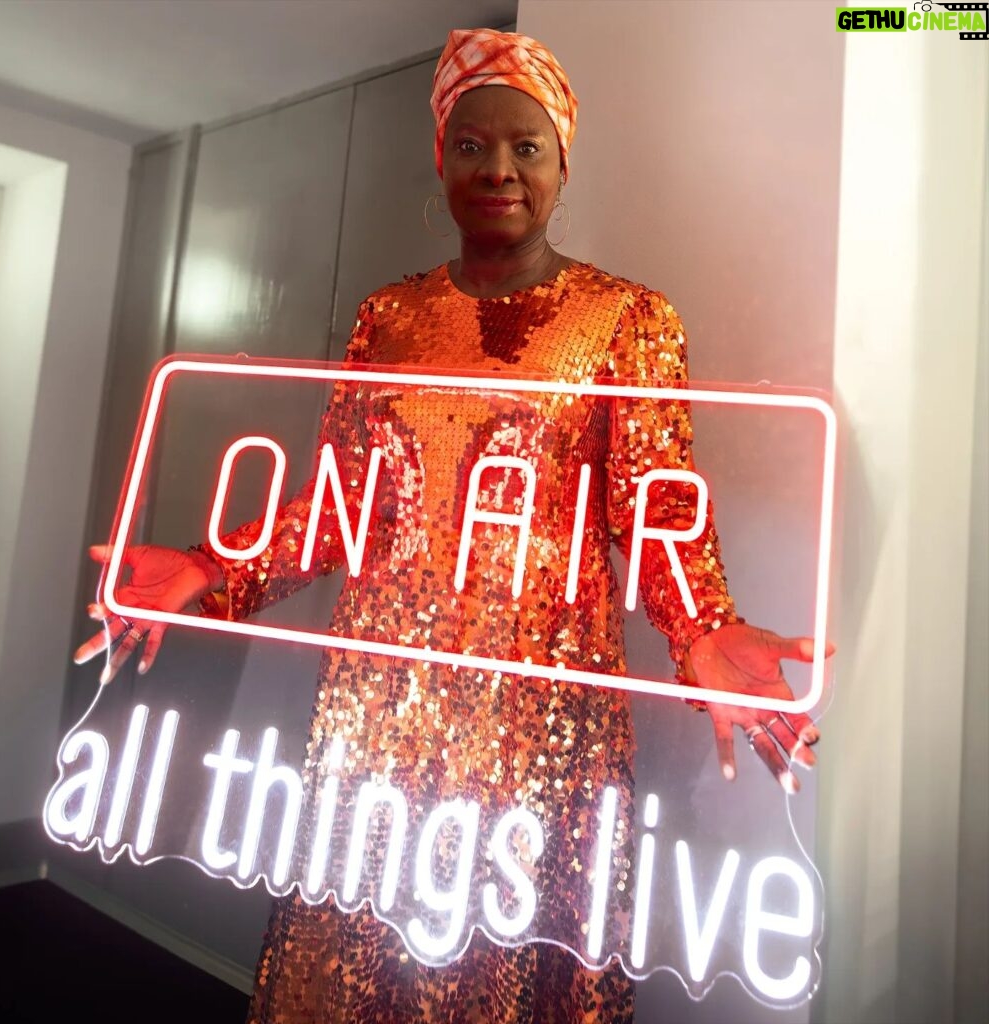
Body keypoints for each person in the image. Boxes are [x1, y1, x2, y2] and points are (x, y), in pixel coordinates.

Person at [75, 28, 828, 1024]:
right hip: (372, 715)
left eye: (525, 146)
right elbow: (340, 507)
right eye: (472, 145)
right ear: (440, 156)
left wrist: (704, 630)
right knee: (355, 964)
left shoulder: (625, 319)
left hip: (536, 726)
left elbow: (654, 512)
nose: (499, 169)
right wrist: (213, 568)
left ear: (562, 159)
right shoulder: (388, 317)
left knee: (500, 971)